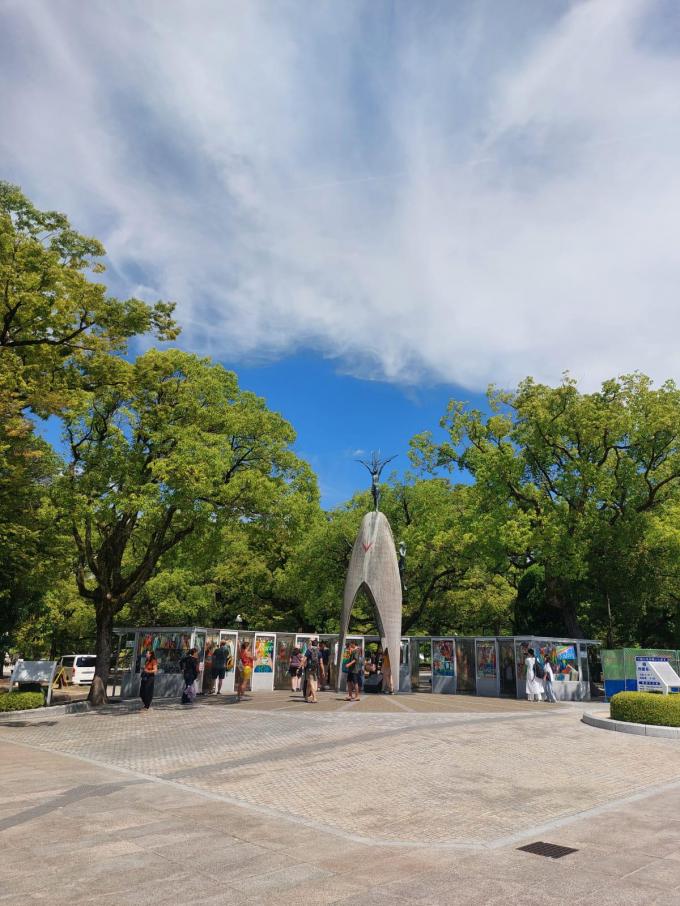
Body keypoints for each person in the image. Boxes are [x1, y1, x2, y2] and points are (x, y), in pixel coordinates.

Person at [304, 638, 320, 703]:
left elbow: (304, 659)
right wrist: (322, 671)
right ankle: (306, 697)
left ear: (312, 644)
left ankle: (314, 698)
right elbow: (321, 662)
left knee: (311, 683)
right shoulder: (319, 651)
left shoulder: (309, 650)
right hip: (315, 668)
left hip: (309, 668)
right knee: (308, 684)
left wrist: (300, 666)